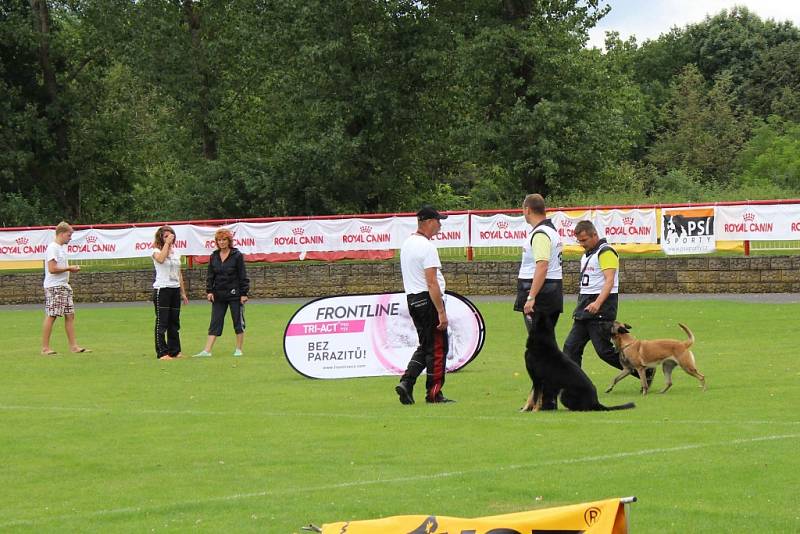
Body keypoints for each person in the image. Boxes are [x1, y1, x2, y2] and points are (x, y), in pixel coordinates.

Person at [562, 220, 653, 384]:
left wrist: (597, 303)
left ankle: (644, 369)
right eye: (579, 241)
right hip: (585, 307)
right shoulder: (588, 253)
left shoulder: (606, 252)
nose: (581, 244)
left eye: (584, 240)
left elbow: (609, 281)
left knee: (604, 351)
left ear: (594, 235)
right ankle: (574, 383)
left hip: (601, 308)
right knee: (571, 347)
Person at [395, 206, 454, 405]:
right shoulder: (427, 247)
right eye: (438, 221)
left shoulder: (407, 244)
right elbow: (431, 282)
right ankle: (434, 393)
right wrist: (441, 311)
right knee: (438, 348)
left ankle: (407, 382)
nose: (440, 225)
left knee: (426, 345)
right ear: (429, 222)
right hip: (427, 300)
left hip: (412, 299)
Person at [517, 194, 563, 411]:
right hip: (550, 293)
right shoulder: (549, 230)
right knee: (545, 348)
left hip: (541, 296)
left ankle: (545, 398)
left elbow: (542, 265)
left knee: (540, 350)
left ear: (527, 209)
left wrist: (531, 296)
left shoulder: (541, 234)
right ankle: (543, 397)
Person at [193, 228, 250, 357]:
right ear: (216, 242)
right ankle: (207, 350)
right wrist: (209, 291)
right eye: (219, 240)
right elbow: (210, 275)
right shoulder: (213, 256)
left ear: (229, 241)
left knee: (238, 321)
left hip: (235, 293)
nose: (222, 242)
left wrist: (244, 293)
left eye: (224, 240)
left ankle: (238, 349)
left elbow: (242, 275)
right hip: (219, 294)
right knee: (215, 321)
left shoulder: (237, 255)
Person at [41, 221, 91, 355]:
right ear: (62, 234)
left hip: (63, 286)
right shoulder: (53, 248)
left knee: (70, 315)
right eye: (69, 235)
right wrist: (69, 268)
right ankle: (45, 348)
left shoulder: (60, 248)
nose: (70, 238)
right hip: (55, 287)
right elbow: (52, 269)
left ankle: (74, 346)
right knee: (52, 315)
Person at [152, 225, 189, 360]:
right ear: (161, 237)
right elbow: (161, 259)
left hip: (174, 289)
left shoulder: (176, 252)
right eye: (165, 236)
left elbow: (178, 273)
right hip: (162, 289)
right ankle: (162, 352)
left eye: (171, 235)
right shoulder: (156, 250)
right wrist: (166, 244)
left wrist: (182, 292)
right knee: (162, 322)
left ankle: (175, 351)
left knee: (174, 321)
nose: (169, 238)